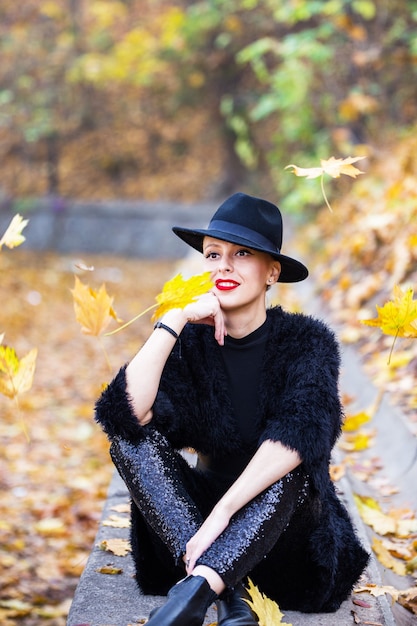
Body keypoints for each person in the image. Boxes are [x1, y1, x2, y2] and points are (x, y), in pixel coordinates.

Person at [95, 192, 369, 626]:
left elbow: (301, 433)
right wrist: (175, 321)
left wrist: (223, 514)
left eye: (242, 254)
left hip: (287, 548)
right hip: (191, 533)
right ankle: (222, 591)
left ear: (271, 272)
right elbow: (125, 414)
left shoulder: (308, 343)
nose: (223, 265)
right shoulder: (192, 344)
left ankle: (199, 588)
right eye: (213, 254)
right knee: (130, 443)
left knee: (292, 467)